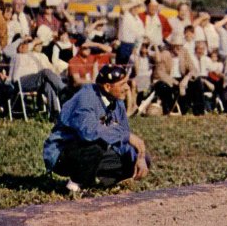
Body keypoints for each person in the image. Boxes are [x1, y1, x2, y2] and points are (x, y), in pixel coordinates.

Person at [43, 64, 150, 193]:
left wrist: (140, 156)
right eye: (122, 84)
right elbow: (89, 132)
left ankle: (96, 181)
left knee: (134, 156)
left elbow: (122, 137)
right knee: (95, 144)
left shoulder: (116, 100)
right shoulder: (86, 97)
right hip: (64, 152)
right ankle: (74, 186)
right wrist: (127, 136)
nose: (127, 88)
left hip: (91, 151)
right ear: (107, 86)